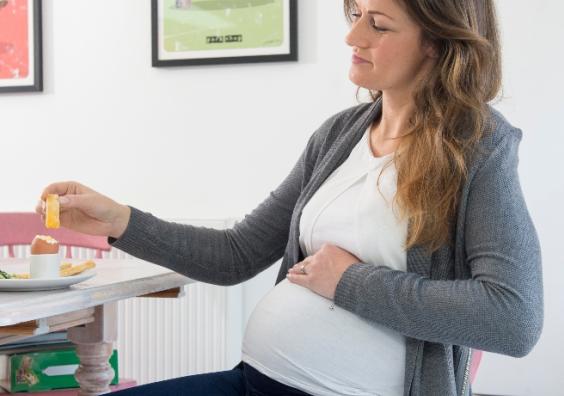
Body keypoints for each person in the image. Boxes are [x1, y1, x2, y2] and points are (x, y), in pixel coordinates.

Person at [37, 0, 543, 395]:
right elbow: (236, 254)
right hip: (256, 383)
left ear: (436, 42)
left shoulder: (477, 148)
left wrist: (349, 281)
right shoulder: (339, 135)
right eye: (355, 15)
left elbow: (512, 318)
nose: (352, 36)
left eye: (379, 25)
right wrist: (121, 220)